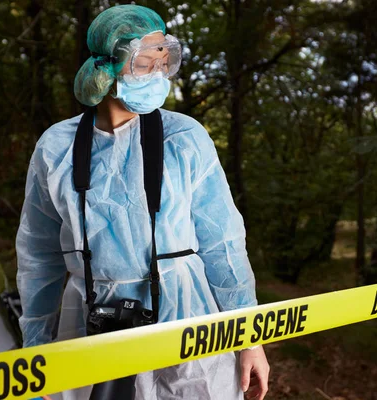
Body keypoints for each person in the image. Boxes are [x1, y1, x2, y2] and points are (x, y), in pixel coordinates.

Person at [16, 4, 269, 400]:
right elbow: (38, 256)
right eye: (146, 58)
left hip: (185, 318)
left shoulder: (184, 138)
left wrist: (250, 339)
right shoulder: (57, 147)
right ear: (110, 64)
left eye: (164, 57)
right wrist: (34, 347)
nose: (159, 69)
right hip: (87, 318)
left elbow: (223, 245)